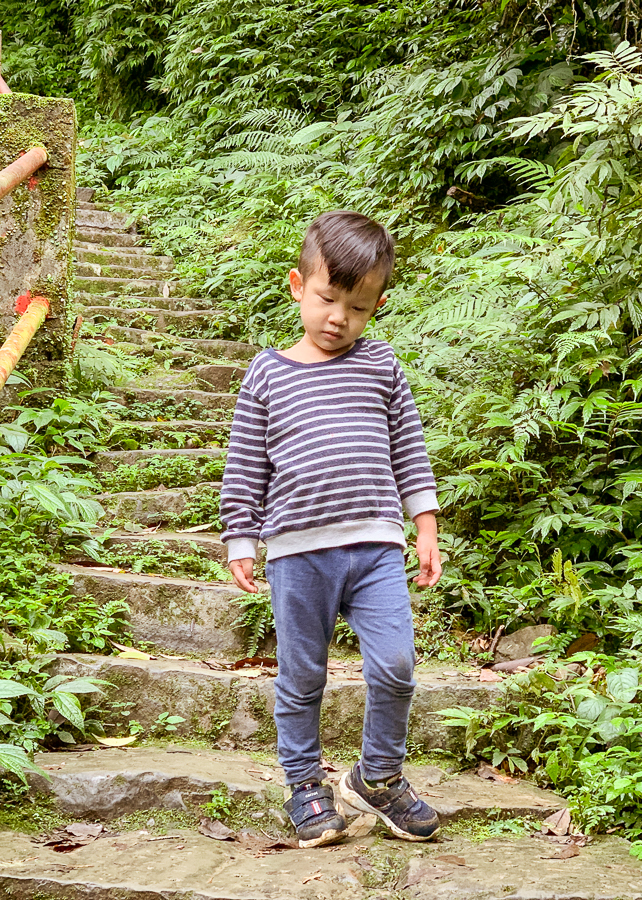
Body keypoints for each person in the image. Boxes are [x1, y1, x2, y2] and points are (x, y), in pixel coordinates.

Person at [219, 210, 443, 848]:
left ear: (376, 307)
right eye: (327, 298)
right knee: (303, 673)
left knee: (397, 664)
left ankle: (378, 777)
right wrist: (242, 535)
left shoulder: (381, 366)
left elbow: (409, 450)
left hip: (375, 546)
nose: (339, 317)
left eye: (358, 306)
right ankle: (303, 783)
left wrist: (423, 524)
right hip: (297, 554)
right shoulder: (267, 373)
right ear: (297, 285)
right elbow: (245, 463)